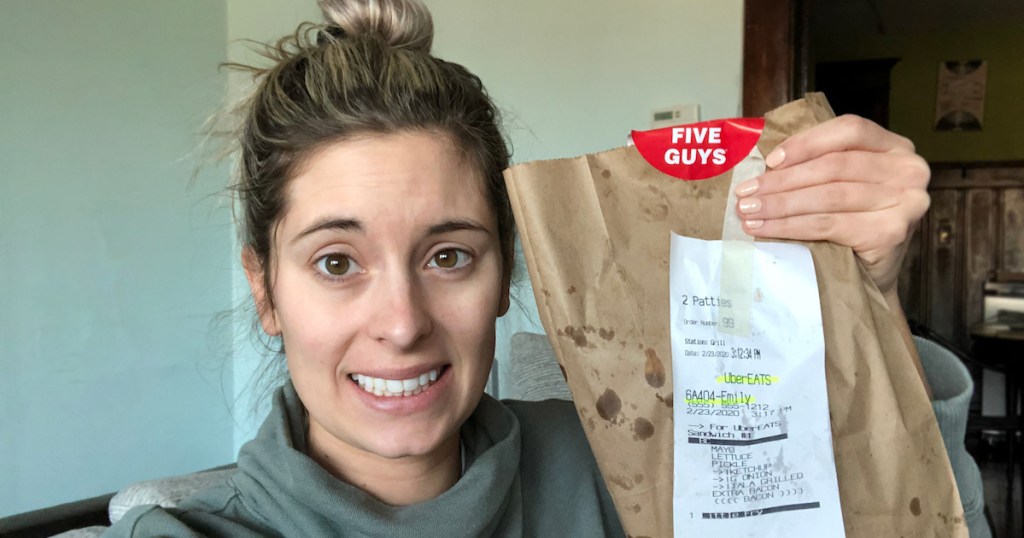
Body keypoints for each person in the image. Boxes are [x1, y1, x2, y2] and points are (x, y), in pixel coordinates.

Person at [105, 0, 988, 536]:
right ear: (265, 290)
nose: (403, 321)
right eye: (337, 261)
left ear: (506, 271)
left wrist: (859, 299)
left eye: (448, 255)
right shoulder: (180, 532)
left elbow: (891, 511)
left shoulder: (623, 460)